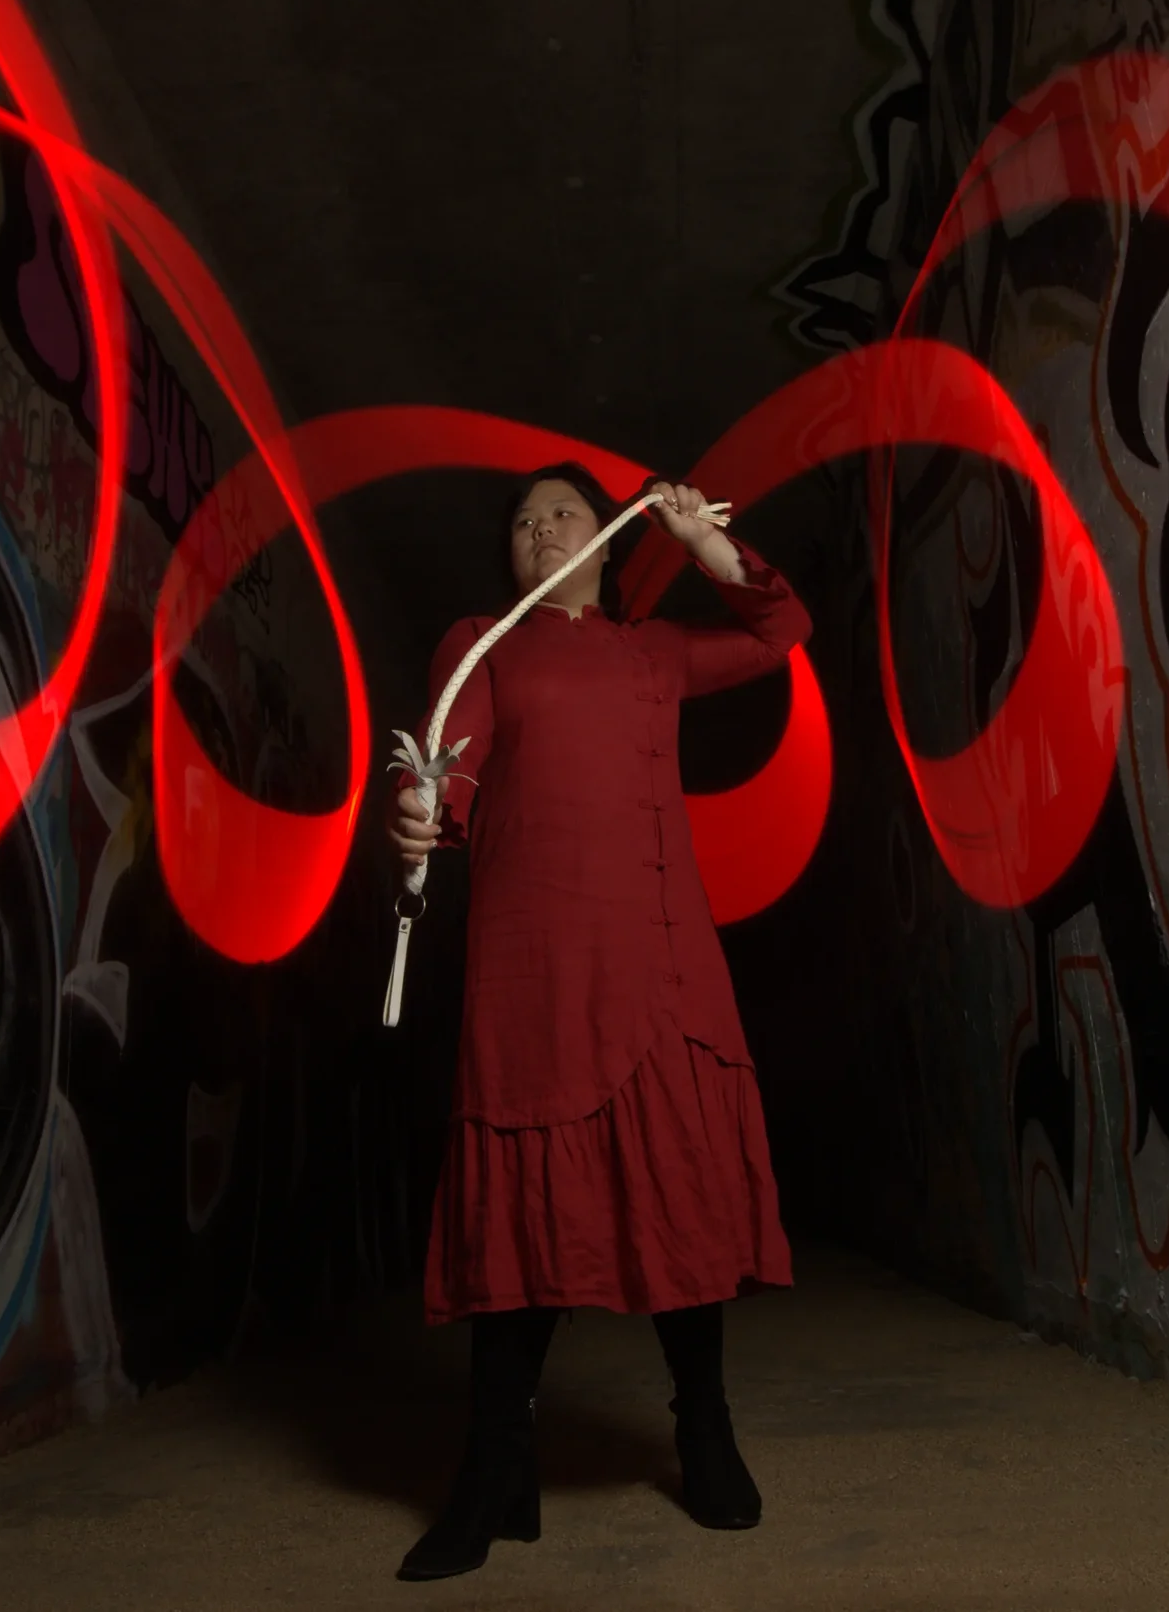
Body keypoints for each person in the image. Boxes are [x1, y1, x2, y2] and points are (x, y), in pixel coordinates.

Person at [386, 462, 808, 1582]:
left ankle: (703, 1429)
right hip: (539, 961)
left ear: (608, 541)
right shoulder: (481, 643)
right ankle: (493, 1465)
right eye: (521, 522)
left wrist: (707, 545)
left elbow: (780, 632)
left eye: (559, 513)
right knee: (525, 1210)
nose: (536, 530)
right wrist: (423, 817)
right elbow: (452, 784)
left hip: (664, 958)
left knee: (680, 1189)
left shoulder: (656, 648)